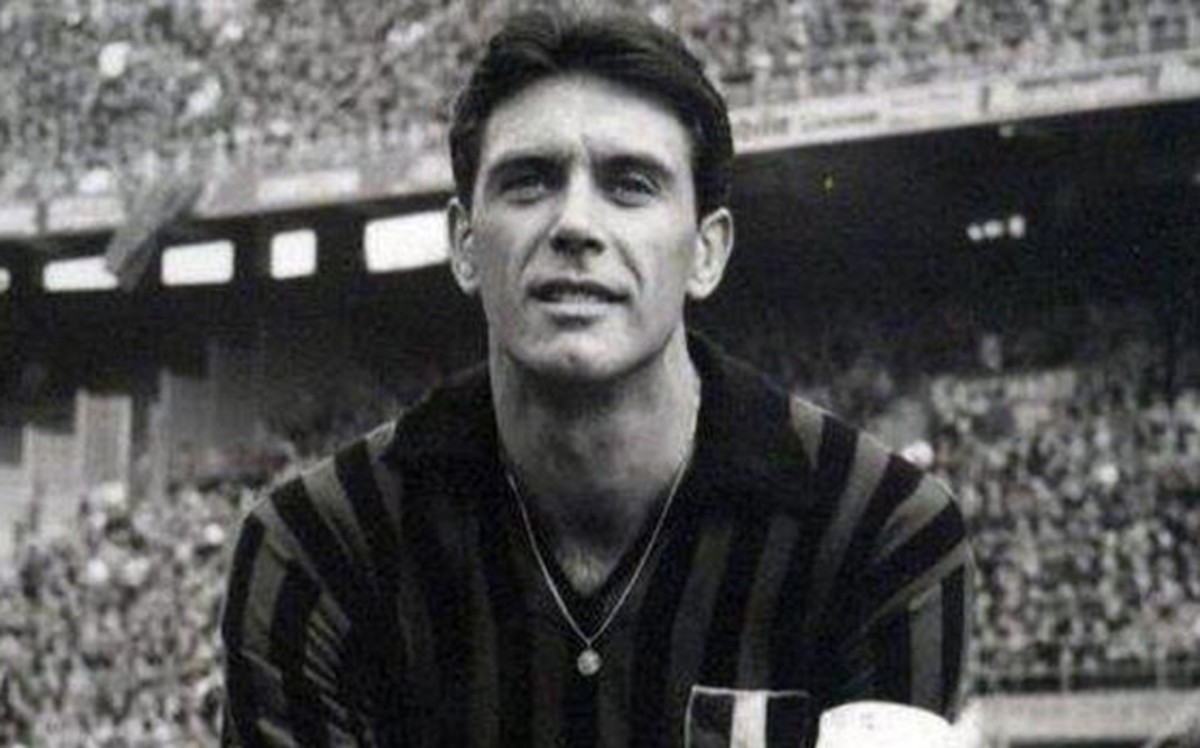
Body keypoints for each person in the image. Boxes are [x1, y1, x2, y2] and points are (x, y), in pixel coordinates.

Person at [220, 9, 972, 747]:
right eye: (529, 182)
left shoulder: (880, 531)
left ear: (706, 252)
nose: (575, 224)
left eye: (631, 184)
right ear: (464, 244)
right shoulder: (318, 546)